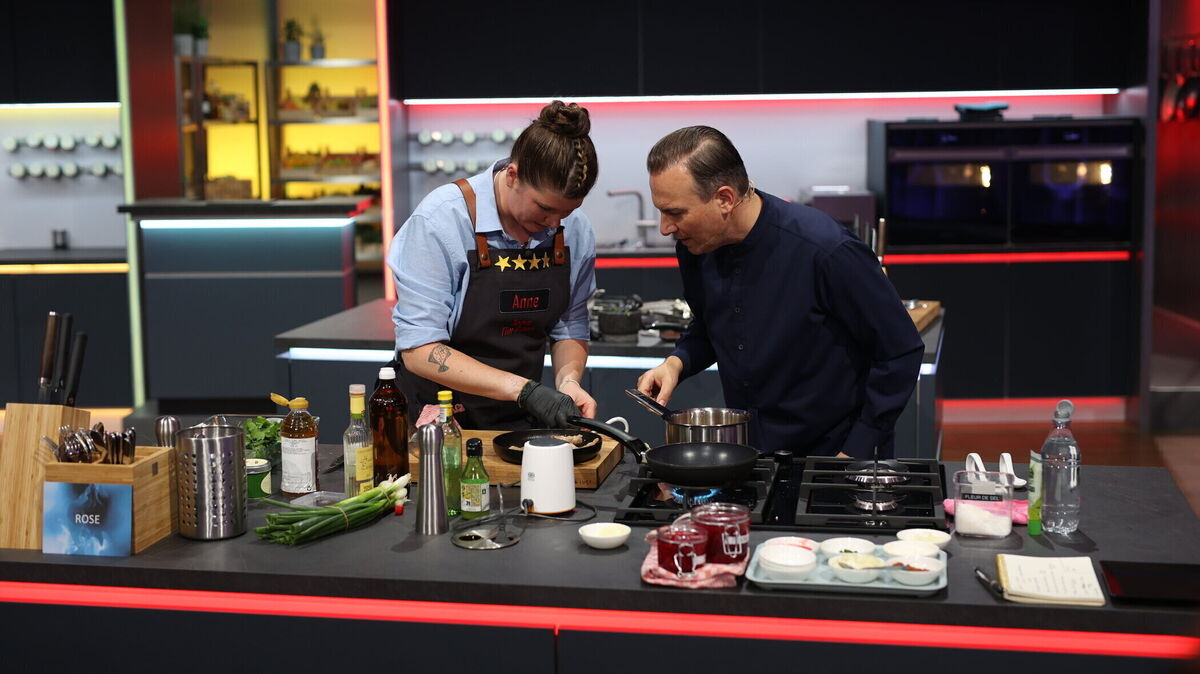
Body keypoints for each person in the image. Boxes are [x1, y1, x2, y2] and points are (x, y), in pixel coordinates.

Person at [635, 126, 923, 458]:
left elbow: (899, 350)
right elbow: (710, 323)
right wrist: (676, 363)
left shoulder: (826, 250)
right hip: (753, 454)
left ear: (725, 199)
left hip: (835, 457)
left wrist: (857, 449)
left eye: (675, 213)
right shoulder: (696, 247)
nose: (665, 228)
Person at [388, 101, 599, 430]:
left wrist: (568, 382)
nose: (553, 224)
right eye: (544, 209)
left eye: (566, 212)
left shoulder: (575, 229)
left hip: (517, 415)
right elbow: (419, 348)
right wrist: (524, 390)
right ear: (512, 176)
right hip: (438, 418)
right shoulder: (442, 220)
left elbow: (570, 326)